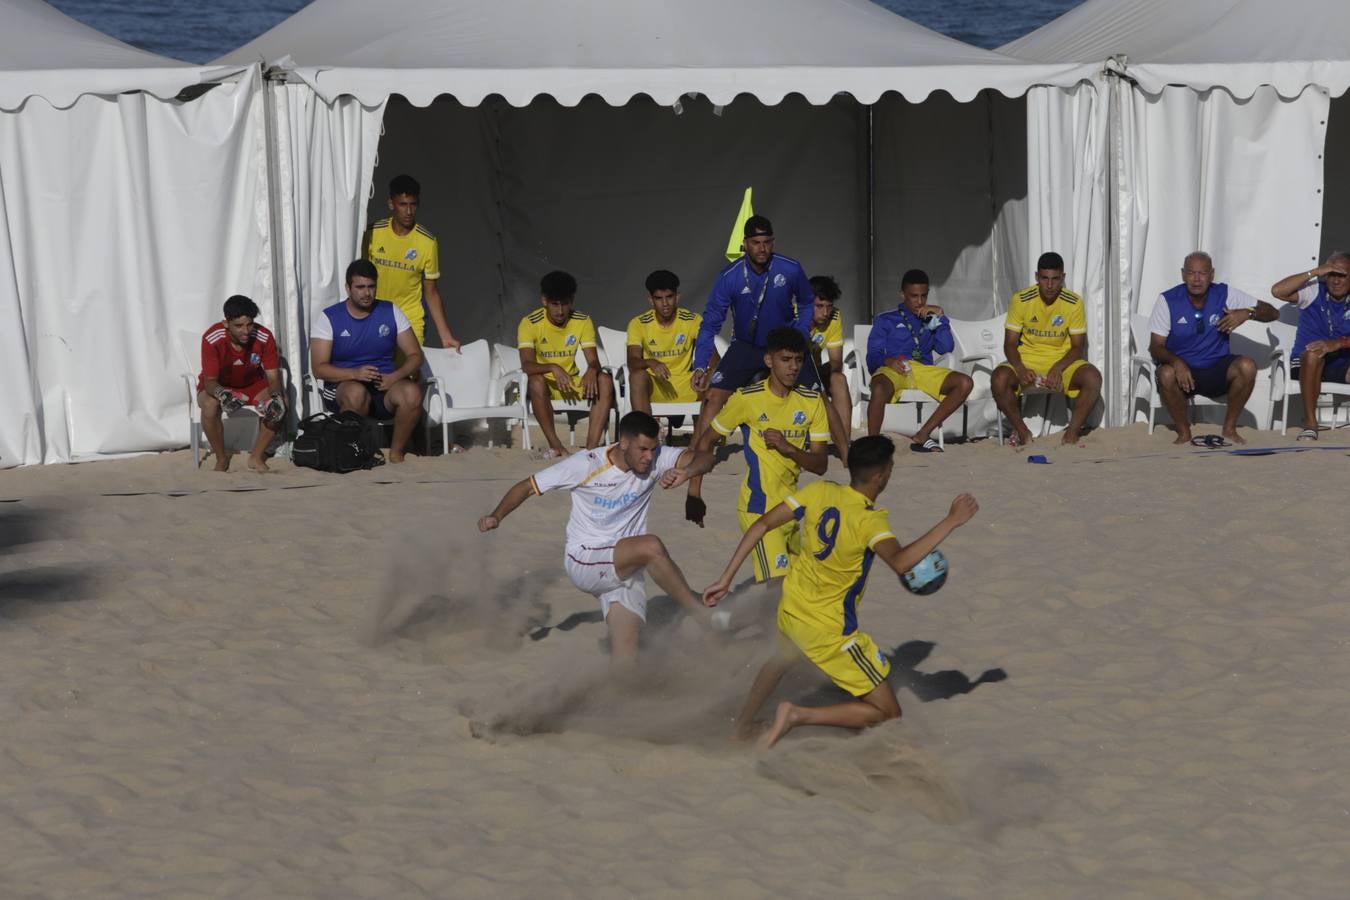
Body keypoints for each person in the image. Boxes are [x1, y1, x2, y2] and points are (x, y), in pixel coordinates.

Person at [702, 435, 979, 749]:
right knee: (889, 712)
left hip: (793, 608)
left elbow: (762, 525)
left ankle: (741, 728)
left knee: (780, 660)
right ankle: (797, 716)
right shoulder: (870, 520)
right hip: (830, 629)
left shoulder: (820, 490)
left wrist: (726, 578)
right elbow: (901, 563)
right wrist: (952, 521)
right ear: (881, 476)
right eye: (890, 467)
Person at [478, 411, 716, 660]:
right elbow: (527, 486)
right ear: (623, 443)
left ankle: (610, 693)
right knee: (651, 546)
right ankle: (700, 613)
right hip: (586, 558)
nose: (649, 457)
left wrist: (686, 472)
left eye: (653, 449)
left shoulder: (656, 457)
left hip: (627, 566)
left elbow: (706, 459)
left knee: (626, 652)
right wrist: (496, 516)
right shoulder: (585, 464)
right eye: (643, 449)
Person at [687, 215, 848, 524]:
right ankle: (695, 486)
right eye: (756, 243)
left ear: (773, 242)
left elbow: (805, 299)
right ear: (745, 244)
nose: (762, 249)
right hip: (746, 346)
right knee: (714, 399)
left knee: (820, 398)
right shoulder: (730, 276)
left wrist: (798, 334)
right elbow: (710, 324)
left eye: (767, 242)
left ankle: (850, 461)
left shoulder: (789, 268)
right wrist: (699, 364)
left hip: (784, 342)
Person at [694, 328, 829, 583]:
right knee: (777, 585)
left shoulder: (811, 401)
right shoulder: (747, 399)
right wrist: (694, 490)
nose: (793, 367)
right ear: (769, 360)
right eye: (786, 360)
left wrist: (789, 448)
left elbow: (821, 465)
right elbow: (707, 440)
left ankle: (727, 619)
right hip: (757, 507)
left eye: (798, 360)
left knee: (801, 585)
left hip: (790, 509)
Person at [1148, 251, 1278, 446]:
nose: (1197, 279)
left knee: (1248, 366)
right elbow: (1155, 347)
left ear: (1212, 275)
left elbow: (1273, 312)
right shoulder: (1168, 300)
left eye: (1203, 273)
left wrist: (1248, 313)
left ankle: (1229, 428)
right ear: (1183, 274)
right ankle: (1184, 432)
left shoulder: (1224, 294)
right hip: (1182, 373)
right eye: (1191, 273)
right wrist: (1177, 362)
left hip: (1215, 367)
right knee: (1166, 373)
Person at [310, 259, 425, 463]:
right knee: (356, 392)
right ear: (348, 288)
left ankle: (396, 454)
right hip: (343, 388)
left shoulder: (390, 311)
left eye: (371, 286)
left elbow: (416, 356)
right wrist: (354, 374)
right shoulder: (330, 317)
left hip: (384, 388)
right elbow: (319, 368)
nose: (366, 293)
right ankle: (353, 453)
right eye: (360, 287)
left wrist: (394, 377)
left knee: (412, 393)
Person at [991, 252, 1103, 447]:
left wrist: (1058, 367)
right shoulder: (1021, 299)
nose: (1049, 285)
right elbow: (1010, 344)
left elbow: (1078, 347)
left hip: (1061, 361)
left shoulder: (1074, 302)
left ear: (1063, 278)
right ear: (1036, 277)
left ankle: (1071, 435)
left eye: (1055, 279)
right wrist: (1020, 368)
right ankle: (1022, 431)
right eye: (1044, 279)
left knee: (1093, 378)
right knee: (999, 379)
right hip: (1027, 360)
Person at [865, 269, 974, 452]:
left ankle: (923, 433)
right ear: (902, 294)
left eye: (924, 296)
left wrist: (941, 317)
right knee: (879, 386)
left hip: (923, 370)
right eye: (914, 296)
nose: (920, 301)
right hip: (895, 368)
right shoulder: (886, 320)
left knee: (965, 383)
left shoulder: (931, 318)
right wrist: (888, 361)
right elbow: (872, 356)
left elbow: (946, 348)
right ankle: (871, 445)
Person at [517, 270, 616, 457]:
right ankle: (556, 445)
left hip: (570, 382)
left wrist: (592, 370)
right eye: (555, 304)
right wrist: (553, 367)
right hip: (545, 385)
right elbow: (527, 365)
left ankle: (591, 449)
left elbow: (594, 360)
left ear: (572, 300)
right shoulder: (529, 322)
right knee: (536, 380)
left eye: (565, 304)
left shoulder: (582, 320)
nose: (560, 311)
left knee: (604, 379)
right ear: (544, 301)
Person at [364, 174, 460, 351]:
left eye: (413, 204)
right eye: (403, 204)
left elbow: (431, 292)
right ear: (391, 204)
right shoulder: (372, 233)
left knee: (410, 373)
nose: (408, 211)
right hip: (375, 314)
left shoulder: (427, 242)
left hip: (410, 319)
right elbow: (358, 279)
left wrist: (446, 335)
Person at [196, 294, 286, 473]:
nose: (246, 331)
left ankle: (256, 456)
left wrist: (276, 396)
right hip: (219, 385)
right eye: (238, 326)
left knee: (281, 404)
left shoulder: (264, 336)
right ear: (225, 323)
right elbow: (210, 382)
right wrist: (224, 394)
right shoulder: (212, 337)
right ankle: (221, 458)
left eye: (249, 324)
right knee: (209, 405)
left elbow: (273, 379)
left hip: (252, 385)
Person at [1270, 252, 1350, 440]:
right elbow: (1277, 291)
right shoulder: (1314, 291)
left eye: (1342, 275)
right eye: (1332, 274)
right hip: (1306, 362)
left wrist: (1337, 343)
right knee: (1313, 353)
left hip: (1340, 363)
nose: (1336, 281)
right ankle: (1310, 424)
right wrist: (1315, 271)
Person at [625, 270, 711, 415]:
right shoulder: (638, 323)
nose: (665, 304)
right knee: (637, 376)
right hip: (656, 386)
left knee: (712, 379)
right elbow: (632, 361)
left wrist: (705, 373)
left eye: (669, 297)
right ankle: (645, 436)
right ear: (651, 300)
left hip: (688, 385)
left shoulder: (693, 320)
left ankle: (702, 437)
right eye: (659, 298)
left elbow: (713, 355)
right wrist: (651, 362)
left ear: (677, 297)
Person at [808, 276, 855, 448]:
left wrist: (819, 372)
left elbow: (836, 361)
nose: (825, 312)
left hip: (814, 372)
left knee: (839, 379)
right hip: (789, 374)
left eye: (829, 306)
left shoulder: (834, 317)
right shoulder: (793, 315)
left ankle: (844, 444)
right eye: (819, 306)